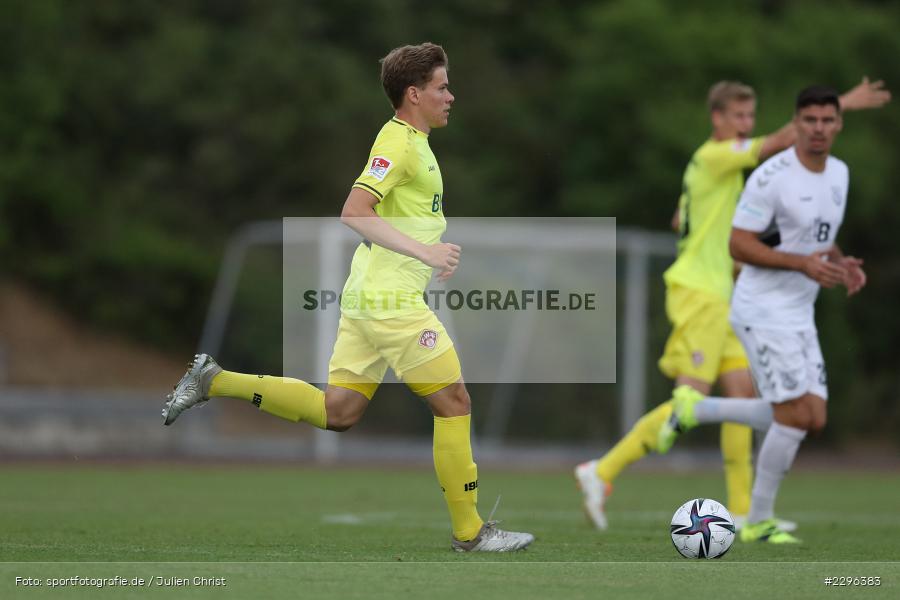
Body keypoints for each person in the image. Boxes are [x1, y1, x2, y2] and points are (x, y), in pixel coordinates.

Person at [162, 42, 534, 553]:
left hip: (370, 297)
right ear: (414, 94)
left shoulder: (416, 144)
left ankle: (215, 380)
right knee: (455, 402)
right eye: (442, 87)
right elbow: (355, 212)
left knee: (339, 411)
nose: (451, 96)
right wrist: (427, 254)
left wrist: (423, 254)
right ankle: (470, 533)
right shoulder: (398, 142)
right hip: (390, 303)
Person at [576, 77, 889, 530]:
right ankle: (600, 472)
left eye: (750, 117)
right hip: (699, 291)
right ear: (716, 119)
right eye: (737, 117)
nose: (746, 126)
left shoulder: (719, 171)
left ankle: (743, 514)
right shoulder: (714, 155)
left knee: (742, 395)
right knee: (690, 399)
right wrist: (842, 104)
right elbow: (781, 140)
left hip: (726, 293)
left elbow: (687, 216)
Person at [657, 85, 867, 544]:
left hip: (799, 308)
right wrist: (804, 264)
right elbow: (739, 244)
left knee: (812, 416)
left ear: (839, 125)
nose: (818, 129)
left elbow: (813, 234)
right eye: (808, 120)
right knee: (792, 414)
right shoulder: (771, 176)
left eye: (827, 120)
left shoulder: (840, 174)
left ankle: (698, 408)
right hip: (761, 307)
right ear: (796, 123)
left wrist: (837, 258)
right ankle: (757, 517)